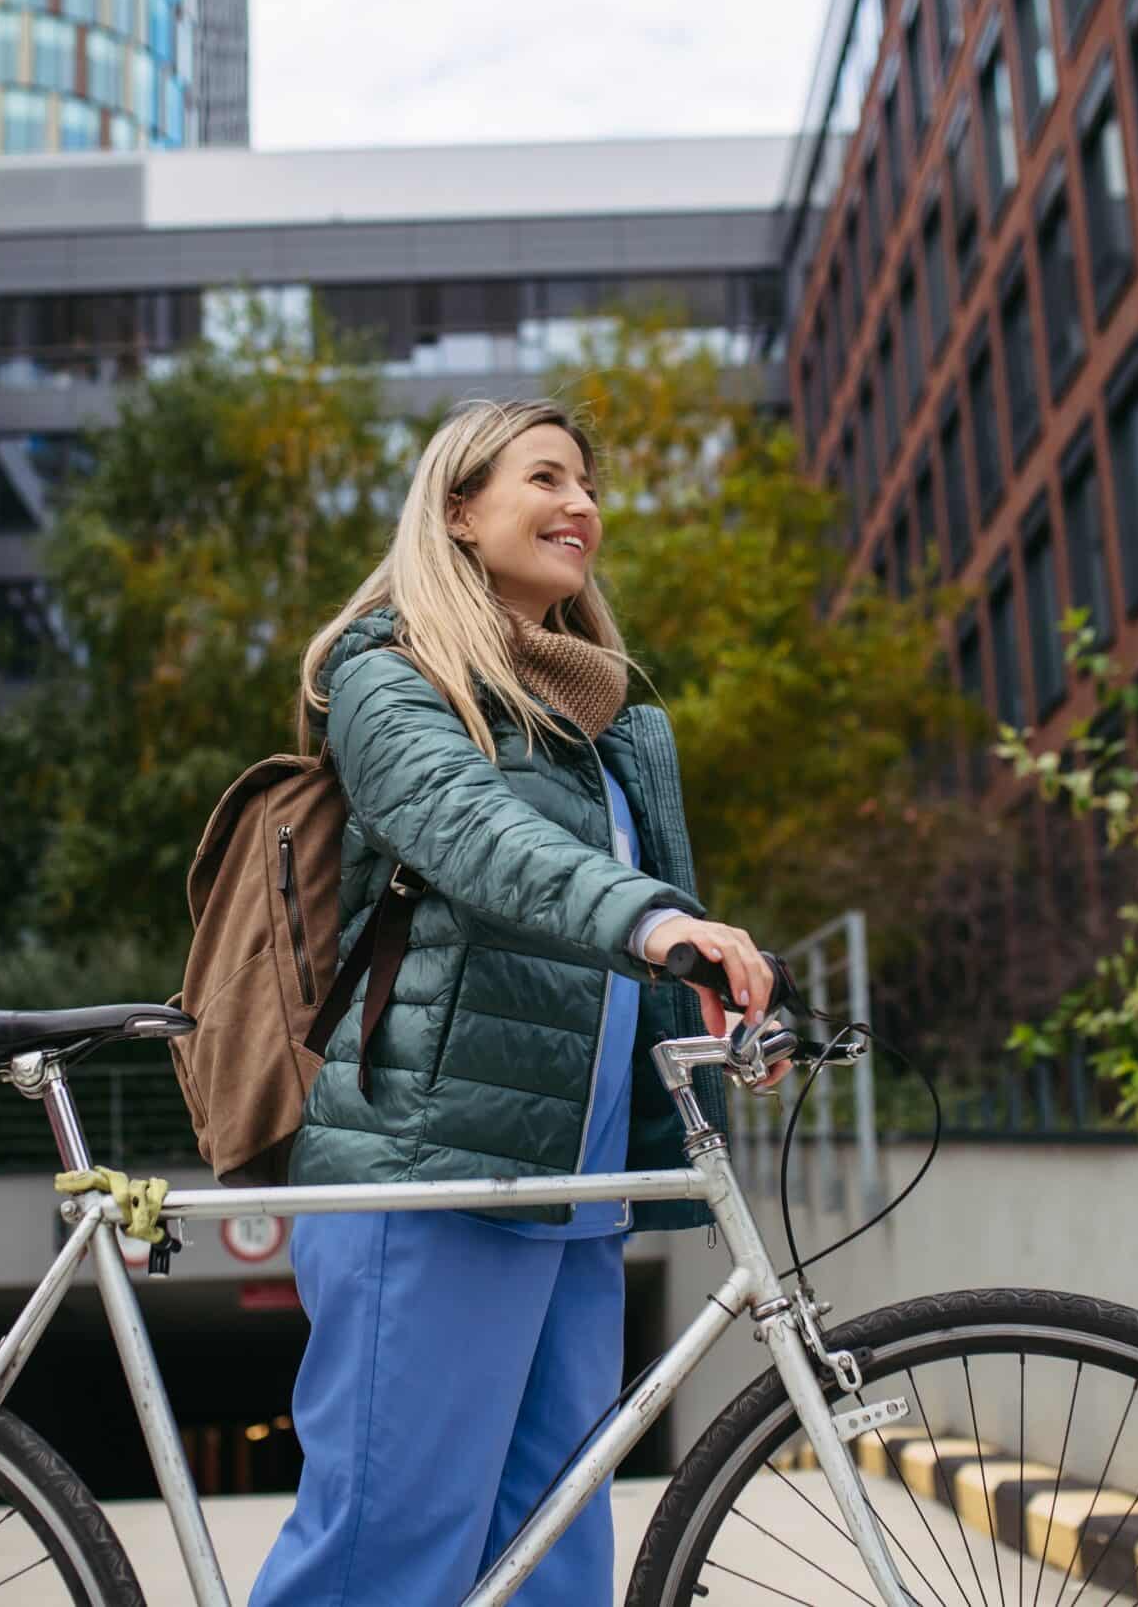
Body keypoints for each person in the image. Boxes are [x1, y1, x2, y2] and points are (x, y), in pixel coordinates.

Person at [247, 397, 791, 1606]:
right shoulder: (389, 679)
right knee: (386, 1557)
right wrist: (658, 922)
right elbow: (482, 840)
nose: (581, 506)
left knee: (548, 1567)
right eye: (546, 479)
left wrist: (715, 1003)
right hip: (433, 1169)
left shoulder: (596, 728)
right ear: (457, 510)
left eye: (589, 487)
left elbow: (600, 948)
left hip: (573, 1192)